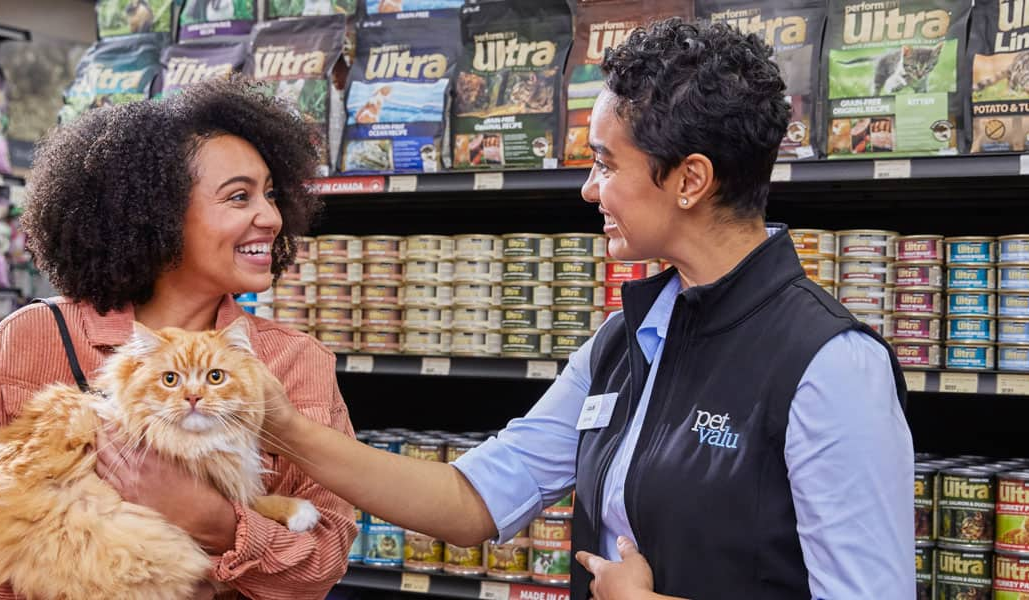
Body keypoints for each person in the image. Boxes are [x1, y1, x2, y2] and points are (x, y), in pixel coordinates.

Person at [259, 19, 914, 600]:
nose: (587, 188)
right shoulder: (625, 338)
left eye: (605, 163)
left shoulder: (832, 366)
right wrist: (285, 429)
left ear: (690, 180)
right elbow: (473, 498)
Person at [0, 76, 357, 600]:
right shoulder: (26, 340)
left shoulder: (295, 363)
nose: (270, 217)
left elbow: (324, 559)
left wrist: (218, 525)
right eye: (239, 197)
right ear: (159, 212)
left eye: (269, 194)